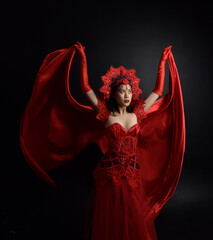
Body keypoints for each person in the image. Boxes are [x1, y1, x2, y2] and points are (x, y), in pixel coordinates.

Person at [19, 41, 185, 240]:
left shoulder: (137, 114)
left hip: (132, 172)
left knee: (131, 215)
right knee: (110, 216)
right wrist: (82, 58)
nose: (126, 94)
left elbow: (158, 91)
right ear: (113, 94)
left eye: (129, 91)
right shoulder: (106, 114)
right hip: (110, 173)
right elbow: (85, 87)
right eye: (122, 91)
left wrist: (162, 62)